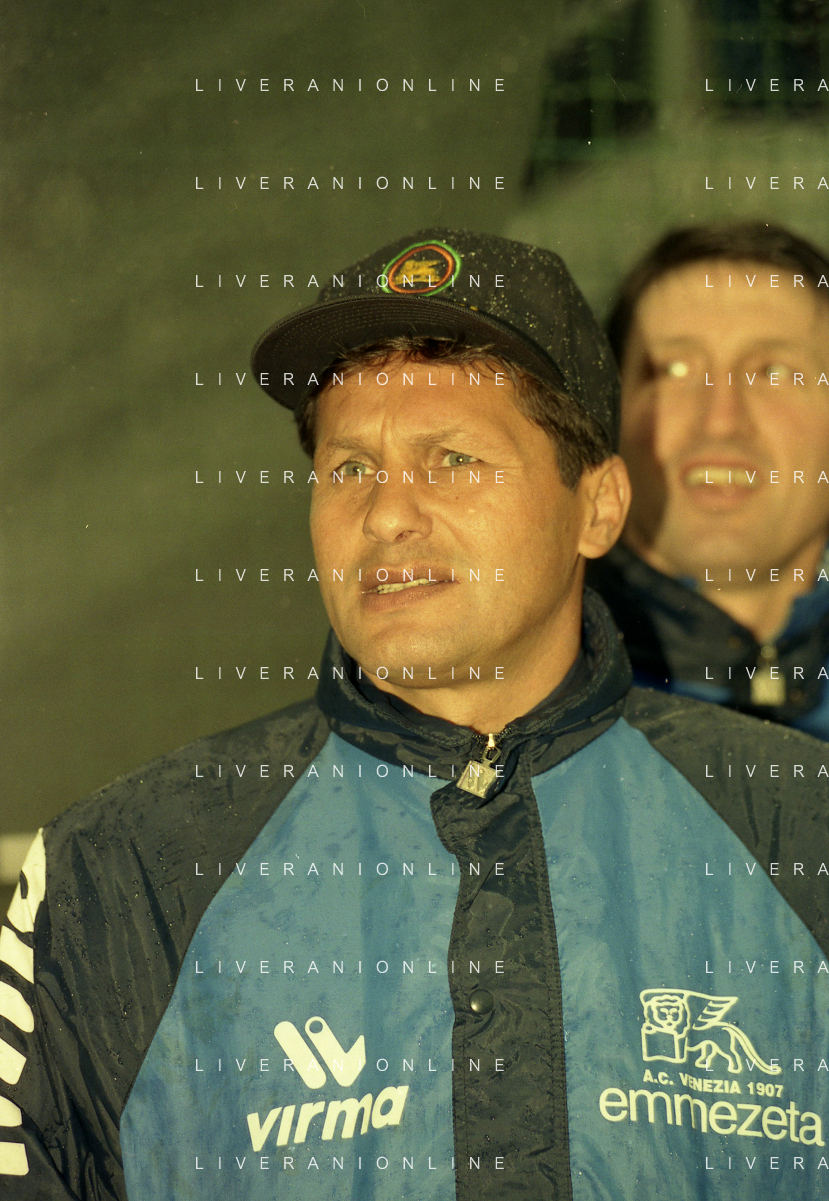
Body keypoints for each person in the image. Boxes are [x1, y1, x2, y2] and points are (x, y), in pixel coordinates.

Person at [1, 228, 827, 1201]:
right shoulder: (118, 873)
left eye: (452, 459)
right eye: (350, 467)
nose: (387, 513)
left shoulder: (796, 827)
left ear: (598, 506)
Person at [589, 221, 829, 739]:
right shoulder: (515, 697)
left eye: (773, 372)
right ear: (608, 415)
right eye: (673, 370)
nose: (720, 420)